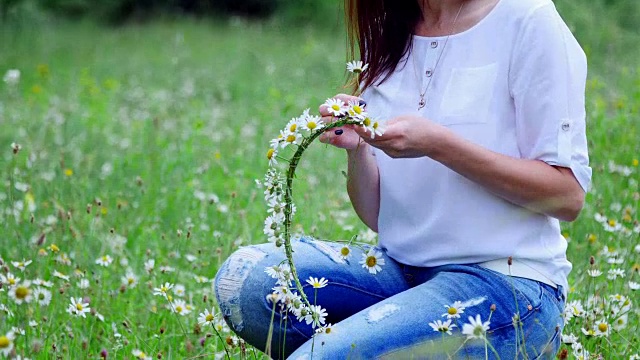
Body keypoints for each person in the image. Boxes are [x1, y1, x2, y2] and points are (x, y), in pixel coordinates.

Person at [214, 0, 591, 358]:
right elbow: (381, 217)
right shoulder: (392, 27)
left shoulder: (528, 19)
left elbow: (566, 196)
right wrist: (359, 149)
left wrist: (437, 144)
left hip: (506, 286)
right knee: (246, 281)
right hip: (400, 272)